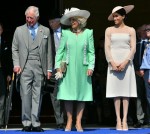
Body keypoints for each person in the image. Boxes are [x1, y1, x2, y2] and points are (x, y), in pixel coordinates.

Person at [12, 6, 52, 132]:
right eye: (27, 17)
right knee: (25, 95)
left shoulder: (45, 31)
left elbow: (49, 52)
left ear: (37, 17)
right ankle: (26, 122)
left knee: (37, 95)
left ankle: (35, 123)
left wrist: (49, 69)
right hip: (24, 67)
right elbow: (15, 48)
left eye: (31, 18)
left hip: (40, 67)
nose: (29, 20)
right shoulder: (19, 30)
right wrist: (16, 64)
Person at [55, 7, 95, 132]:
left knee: (82, 95)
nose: (72, 21)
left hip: (83, 69)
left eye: (74, 19)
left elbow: (91, 52)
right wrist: (58, 68)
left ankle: (78, 122)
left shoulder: (88, 33)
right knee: (68, 95)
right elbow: (60, 52)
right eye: (70, 19)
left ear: (80, 20)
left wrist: (91, 67)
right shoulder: (66, 33)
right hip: (68, 69)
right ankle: (69, 120)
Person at [104, 5, 137, 131]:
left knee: (125, 93)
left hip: (127, 63)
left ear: (123, 16)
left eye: (117, 16)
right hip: (113, 62)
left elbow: (133, 47)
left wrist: (125, 62)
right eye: (113, 16)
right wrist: (112, 62)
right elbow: (107, 47)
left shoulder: (131, 30)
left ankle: (125, 120)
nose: (115, 18)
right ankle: (118, 120)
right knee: (116, 93)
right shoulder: (109, 30)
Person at [48, 11, 64, 129]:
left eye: (52, 22)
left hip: (67, 70)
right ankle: (59, 121)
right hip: (53, 70)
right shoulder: (47, 34)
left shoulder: (68, 33)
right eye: (49, 22)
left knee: (67, 95)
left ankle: (70, 119)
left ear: (59, 21)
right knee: (54, 96)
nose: (50, 24)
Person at [133, 25, 147, 128]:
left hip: (148, 73)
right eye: (144, 30)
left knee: (148, 96)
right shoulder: (135, 44)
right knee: (139, 96)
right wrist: (136, 70)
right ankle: (140, 119)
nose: (146, 32)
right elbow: (132, 58)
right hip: (137, 73)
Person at [0, 22, 12, 128]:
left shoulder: (6, 43)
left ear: (2, 30)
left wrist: (9, 73)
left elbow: (9, 61)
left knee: (2, 98)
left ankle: (1, 122)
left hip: (2, 73)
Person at [139, 24, 150, 127]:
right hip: (146, 71)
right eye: (146, 30)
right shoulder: (148, 44)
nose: (147, 31)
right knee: (147, 97)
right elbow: (145, 58)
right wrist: (142, 68)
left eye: (149, 30)